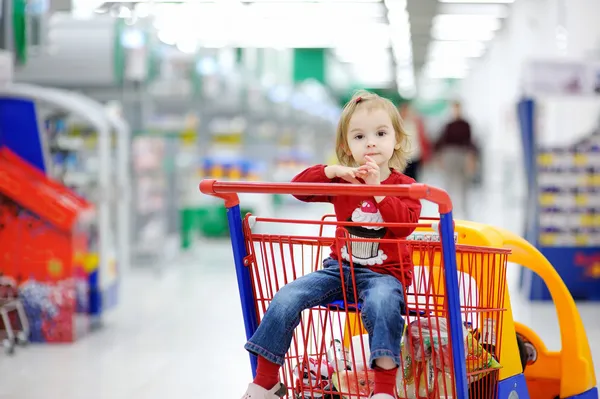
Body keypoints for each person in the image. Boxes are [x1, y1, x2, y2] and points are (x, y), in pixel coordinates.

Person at [241, 90, 422, 399]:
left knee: (383, 305)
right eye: (359, 136)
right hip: (338, 270)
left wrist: (377, 188)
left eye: (381, 133)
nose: (371, 142)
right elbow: (297, 188)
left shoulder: (406, 186)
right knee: (288, 296)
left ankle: (383, 390)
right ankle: (266, 380)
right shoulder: (342, 181)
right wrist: (333, 171)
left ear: (397, 140)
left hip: (385, 275)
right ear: (346, 146)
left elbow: (405, 225)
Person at [434, 100, 478, 218]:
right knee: (449, 182)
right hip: (450, 155)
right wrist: (440, 158)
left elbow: (470, 143)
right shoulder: (448, 125)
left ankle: (464, 210)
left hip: (462, 155)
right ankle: (448, 208)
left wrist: (471, 158)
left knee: (464, 183)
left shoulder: (466, 125)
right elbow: (441, 143)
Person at [399, 102, 431, 181]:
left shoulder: (416, 124)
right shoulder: (400, 124)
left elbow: (423, 139)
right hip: (403, 156)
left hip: (415, 155)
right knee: (403, 177)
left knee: (415, 177)